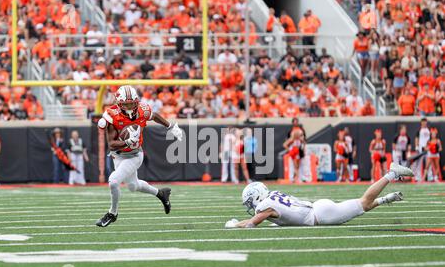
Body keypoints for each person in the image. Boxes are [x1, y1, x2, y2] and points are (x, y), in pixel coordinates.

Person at [96, 85, 183, 227]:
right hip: (118, 155)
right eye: (126, 104)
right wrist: (126, 142)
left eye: (132, 103)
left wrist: (170, 126)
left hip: (134, 155)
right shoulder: (112, 115)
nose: (130, 107)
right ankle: (161, 194)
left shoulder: (143, 110)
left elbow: (154, 116)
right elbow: (111, 144)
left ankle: (112, 213)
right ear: (119, 104)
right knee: (133, 186)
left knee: (113, 181)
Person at [225, 163, 414, 228]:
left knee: (363, 203)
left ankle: (392, 174)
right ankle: (385, 198)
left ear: (256, 196)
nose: (251, 206)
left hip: (320, 215)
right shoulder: (272, 195)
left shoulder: (263, 207)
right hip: (319, 208)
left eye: (250, 202)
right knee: (361, 206)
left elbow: (252, 223)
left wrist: (235, 225)